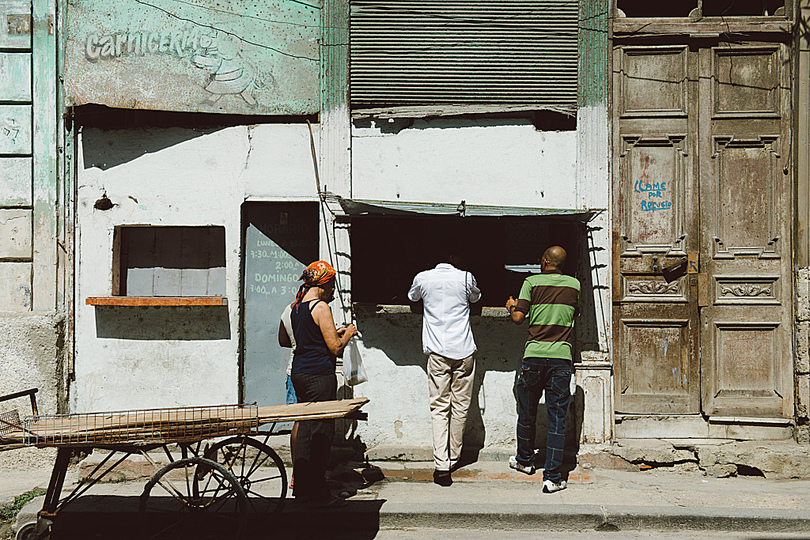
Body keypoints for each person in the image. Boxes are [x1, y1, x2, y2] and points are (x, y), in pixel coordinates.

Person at [505, 246, 579, 494]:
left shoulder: (531, 282)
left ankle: (525, 461)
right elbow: (573, 314)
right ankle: (553, 478)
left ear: (545, 261)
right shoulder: (574, 285)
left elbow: (518, 319)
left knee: (527, 413)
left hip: (534, 357)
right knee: (557, 419)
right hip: (561, 359)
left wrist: (511, 306)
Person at [408, 255, 481, 487]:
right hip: (464, 350)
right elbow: (476, 297)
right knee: (460, 406)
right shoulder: (466, 277)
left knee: (439, 407)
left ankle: (441, 467)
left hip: (438, 352)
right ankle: (453, 458)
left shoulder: (423, 277)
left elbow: (412, 296)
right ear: (454, 259)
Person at [289, 260, 358, 507]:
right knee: (321, 434)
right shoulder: (321, 307)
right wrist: (348, 332)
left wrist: (315, 339)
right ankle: (318, 492)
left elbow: (284, 338)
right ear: (324, 283)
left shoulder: (294, 308)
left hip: (299, 373)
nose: (332, 292)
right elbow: (336, 348)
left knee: (306, 431)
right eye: (332, 286)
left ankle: (302, 489)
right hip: (319, 375)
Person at [278, 301, 299, 491]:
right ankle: (302, 474)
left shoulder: (289, 309)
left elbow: (282, 340)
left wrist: (295, 342)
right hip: (310, 370)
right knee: (307, 423)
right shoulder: (318, 308)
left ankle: (297, 474)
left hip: (293, 370)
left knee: (298, 422)